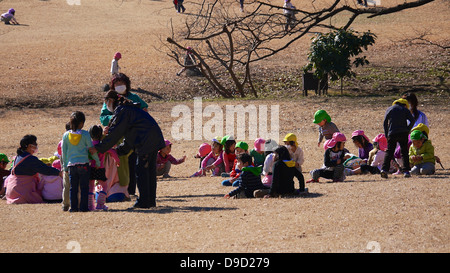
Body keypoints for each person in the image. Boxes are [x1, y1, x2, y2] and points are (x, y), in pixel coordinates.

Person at [90, 91, 165, 209]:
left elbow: (115, 133)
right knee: (149, 171)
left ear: (112, 101)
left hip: (146, 141)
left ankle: (143, 202)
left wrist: (99, 148)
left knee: (142, 171)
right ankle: (150, 201)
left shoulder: (123, 111)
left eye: (107, 102)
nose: (107, 105)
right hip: (153, 138)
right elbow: (131, 136)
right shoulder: (129, 110)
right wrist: (119, 151)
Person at [99, 73, 148, 197]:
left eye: (122, 83)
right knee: (118, 163)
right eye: (117, 84)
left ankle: (131, 191)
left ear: (127, 84)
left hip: (133, 135)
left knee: (133, 163)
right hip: (116, 135)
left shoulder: (134, 97)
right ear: (113, 85)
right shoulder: (110, 99)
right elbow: (103, 117)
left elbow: (145, 109)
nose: (120, 86)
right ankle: (117, 189)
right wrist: (119, 118)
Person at [5, 135, 61, 204]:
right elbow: (46, 170)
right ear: (29, 146)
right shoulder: (30, 159)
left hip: (12, 192)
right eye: (35, 143)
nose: (36, 145)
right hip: (22, 193)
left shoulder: (18, 157)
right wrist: (59, 173)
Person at [62, 112, 101, 212]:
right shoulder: (85, 134)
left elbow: (64, 153)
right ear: (82, 123)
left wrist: (65, 167)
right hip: (84, 164)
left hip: (71, 165)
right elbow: (91, 149)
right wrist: (97, 161)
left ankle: (73, 208)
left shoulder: (66, 135)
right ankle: (84, 207)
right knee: (84, 187)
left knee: (73, 188)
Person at [381, 98, 415, 179]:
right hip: (403, 133)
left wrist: (386, 134)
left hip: (392, 133)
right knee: (404, 151)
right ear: (405, 104)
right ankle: (406, 171)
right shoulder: (405, 109)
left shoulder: (390, 109)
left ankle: (384, 170)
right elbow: (412, 120)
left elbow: (385, 122)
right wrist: (408, 129)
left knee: (389, 152)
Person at [89, 125, 119, 210]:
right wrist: (117, 160)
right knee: (104, 186)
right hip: (100, 169)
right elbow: (112, 151)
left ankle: (90, 206)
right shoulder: (102, 146)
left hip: (91, 168)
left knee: (90, 187)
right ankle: (100, 204)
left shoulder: (89, 146)